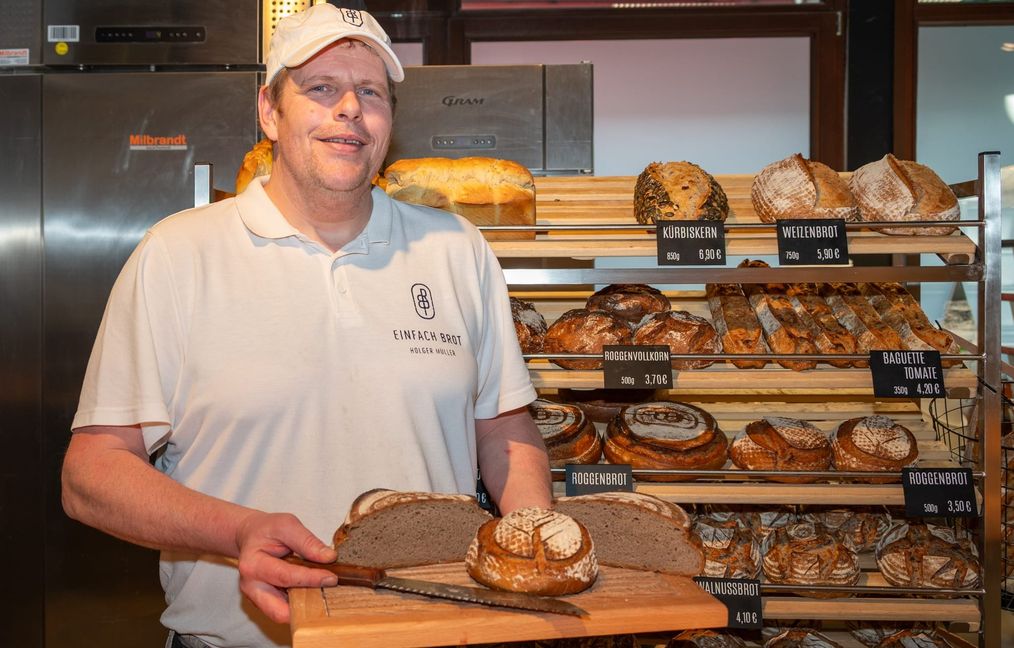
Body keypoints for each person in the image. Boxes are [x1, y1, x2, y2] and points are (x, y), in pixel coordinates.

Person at [60, 5, 552, 648]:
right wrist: (235, 531)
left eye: (371, 92)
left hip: (430, 632)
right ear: (269, 110)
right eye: (321, 87)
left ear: (389, 121)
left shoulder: (455, 249)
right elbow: (91, 473)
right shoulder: (178, 255)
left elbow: (505, 430)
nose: (349, 108)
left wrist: (539, 542)